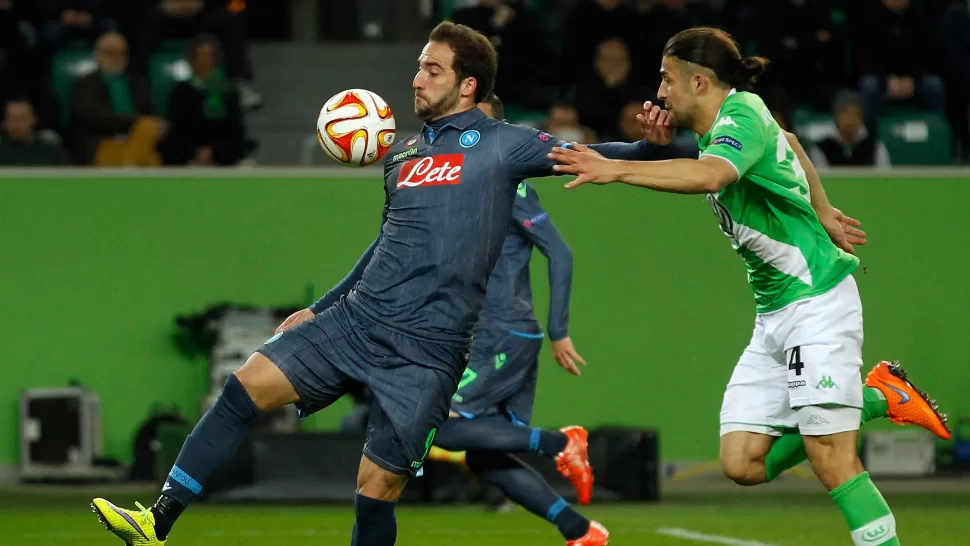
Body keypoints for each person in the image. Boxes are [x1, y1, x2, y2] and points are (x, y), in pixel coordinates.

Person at [91, 21, 663, 546]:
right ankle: (156, 521)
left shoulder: (504, 145)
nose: (416, 78)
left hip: (429, 352)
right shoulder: (403, 154)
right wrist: (319, 309)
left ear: (467, 85)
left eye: (431, 70)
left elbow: (605, 154)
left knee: (377, 487)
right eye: (418, 65)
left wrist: (651, 148)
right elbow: (385, 245)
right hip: (358, 321)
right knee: (244, 388)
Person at [550, 26, 951, 546]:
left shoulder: (739, 116)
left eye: (668, 80)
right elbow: (788, 141)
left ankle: (869, 409)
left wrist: (617, 168)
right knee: (741, 463)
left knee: (833, 459)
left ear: (699, 81)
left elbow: (712, 175)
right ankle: (876, 395)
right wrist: (823, 209)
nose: (661, 93)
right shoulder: (728, 120)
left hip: (817, 302)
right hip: (774, 316)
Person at [426, 92, 606, 545]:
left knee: (441, 428)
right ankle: (581, 531)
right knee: (487, 456)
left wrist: (560, 331)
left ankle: (562, 444)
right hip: (498, 330)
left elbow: (560, 253)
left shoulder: (507, 182)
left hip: (500, 330)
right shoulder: (468, 182)